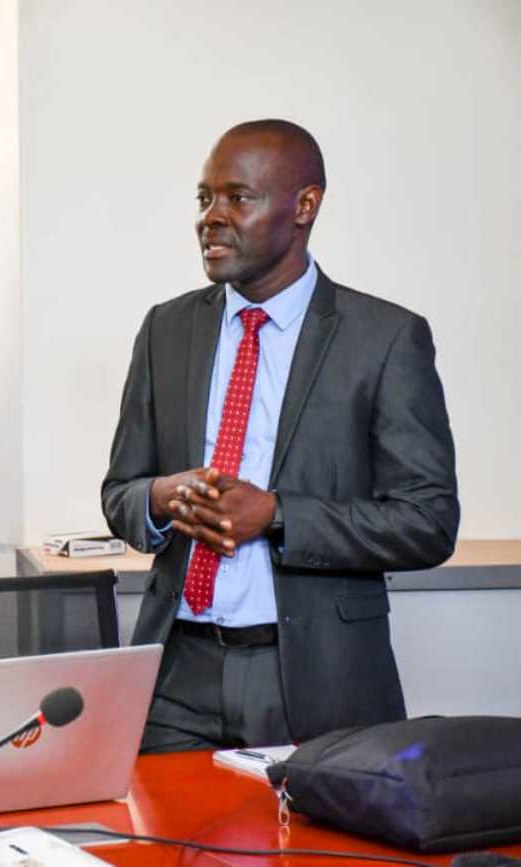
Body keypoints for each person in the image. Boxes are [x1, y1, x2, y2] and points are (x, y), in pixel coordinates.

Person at [101, 119, 458, 752]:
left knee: (310, 855)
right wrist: (160, 499)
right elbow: (120, 493)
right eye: (204, 198)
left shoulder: (384, 339)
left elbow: (428, 521)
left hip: (316, 682)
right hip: (174, 675)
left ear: (304, 206)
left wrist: (278, 516)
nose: (211, 217)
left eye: (237, 197)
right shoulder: (166, 329)